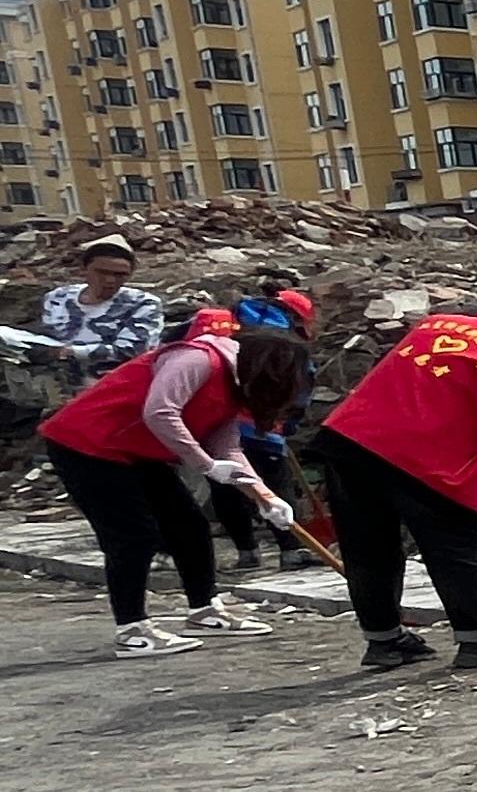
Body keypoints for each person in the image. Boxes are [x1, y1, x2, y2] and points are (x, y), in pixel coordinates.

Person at [308, 291, 477, 671]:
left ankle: (384, 642)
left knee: (369, 551)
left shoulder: (437, 324)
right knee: (455, 549)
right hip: (425, 459)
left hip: (351, 443)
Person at [37, 316, 303, 657]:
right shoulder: (197, 359)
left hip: (133, 448)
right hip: (86, 443)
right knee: (133, 536)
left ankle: (205, 609)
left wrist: (265, 497)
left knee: (189, 525)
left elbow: (227, 446)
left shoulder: (234, 386)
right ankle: (132, 630)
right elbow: (160, 412)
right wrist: (205, 466)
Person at [211, 282, 317, 573]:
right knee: (276, 488)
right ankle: (290, 551)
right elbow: (300, 393)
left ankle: (247, 553)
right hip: (265, 430)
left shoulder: (235, 329)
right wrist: (289, 426)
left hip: (218, 425)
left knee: (226, 488)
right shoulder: (290, 347)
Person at [37, 238, 162, 384]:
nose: (110, 280)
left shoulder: (143, 304)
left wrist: (70, 352)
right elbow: (47, 336)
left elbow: (133, 350)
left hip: (113, 382)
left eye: (119, 275)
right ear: (84, 269)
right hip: (56, 377)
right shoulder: (58, 298)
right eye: (102, 272)